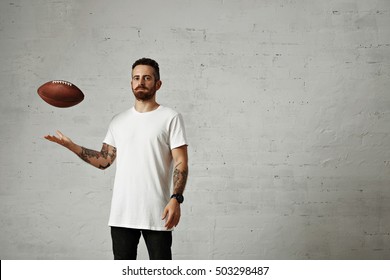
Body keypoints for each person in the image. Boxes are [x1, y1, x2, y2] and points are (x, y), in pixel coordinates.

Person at [44, 58, 188, 260]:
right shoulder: (118, 121)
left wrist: (176, 198)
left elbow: (181, 162)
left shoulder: (170, 117)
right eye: (136, 78)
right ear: (131, 83)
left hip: (158, 213)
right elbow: (104, 161)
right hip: (122, 215)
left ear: (158, 84)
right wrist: (72, 146)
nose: (141, 82)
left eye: (147, 78)